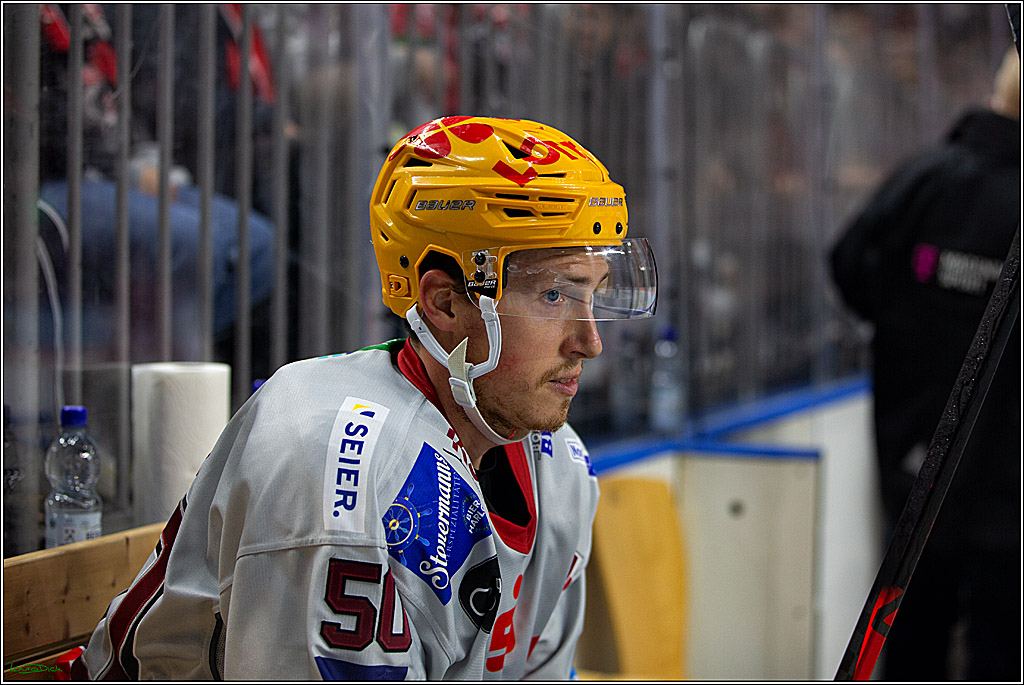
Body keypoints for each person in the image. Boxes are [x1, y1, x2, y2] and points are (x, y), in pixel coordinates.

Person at [71, 116, 658, 679]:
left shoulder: (559, 466)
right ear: (446, 303)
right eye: (555, 295)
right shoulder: (334, 469)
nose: (591, 341)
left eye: (593, 293)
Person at [830, 49, 1020, 681]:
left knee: (912, 648)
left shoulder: (925, 180)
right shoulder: (935, 178)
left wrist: (914, 319)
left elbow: (851, 265)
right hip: (1005, 496)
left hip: (916, 469)